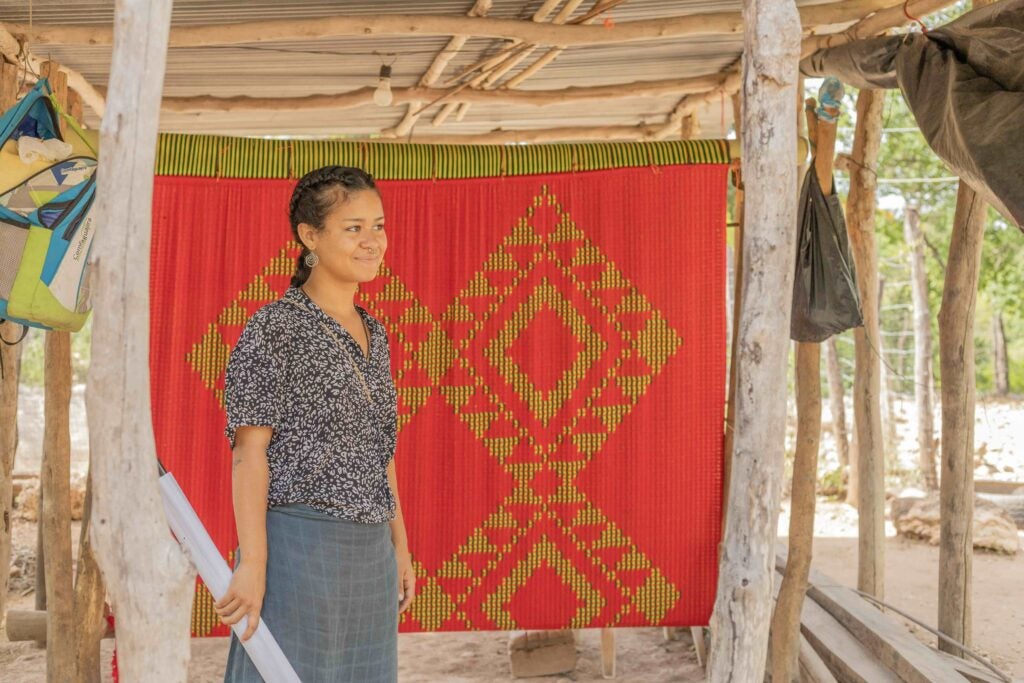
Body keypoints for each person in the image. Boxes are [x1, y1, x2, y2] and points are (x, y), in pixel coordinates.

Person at [216, 165, 414, 682]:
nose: (373, 241)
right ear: (309, 236)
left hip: (370, 556)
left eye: (378, 225)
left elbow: (378, 451)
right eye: (354, 228)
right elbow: (248, 452)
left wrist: (400, 546)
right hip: (300, 550)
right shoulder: (275, 328)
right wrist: (253, 563)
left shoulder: (376, 333)